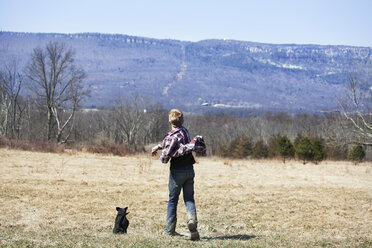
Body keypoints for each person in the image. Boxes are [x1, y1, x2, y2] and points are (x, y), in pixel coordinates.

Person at [151, 109, 206, 241]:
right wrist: (158, 146)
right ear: (182, 121)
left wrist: (162, 153)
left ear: (169, 121)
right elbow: (170, 142)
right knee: (189, 199)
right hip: (189, 169)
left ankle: (170, 230)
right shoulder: (184, 131)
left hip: (177, 172)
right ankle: (192, 221)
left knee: (172, 200)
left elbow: (165, 158)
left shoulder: (171, 136)